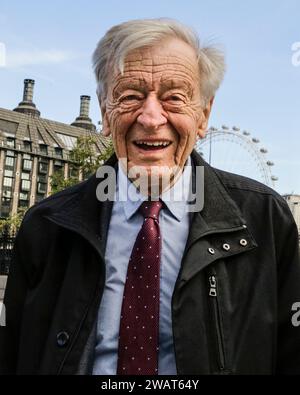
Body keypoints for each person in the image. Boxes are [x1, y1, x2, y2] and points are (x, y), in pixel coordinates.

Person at [0, 18, 300, 375]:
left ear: (204, 113)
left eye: (174, 97)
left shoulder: (265, 220)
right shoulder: (46, 226)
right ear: (104, 112)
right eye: (129, 96)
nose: (151, 117)